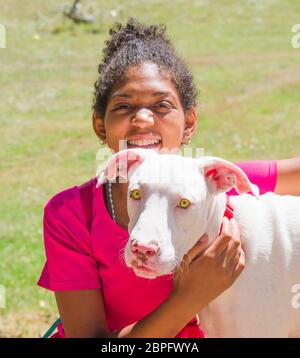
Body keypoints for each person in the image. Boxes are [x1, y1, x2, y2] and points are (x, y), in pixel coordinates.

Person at [37, 19, 300, 338]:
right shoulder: (72, 214)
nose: (142, 118)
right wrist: (191, 296)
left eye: (161, 105)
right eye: (123, 106)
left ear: (189, 122)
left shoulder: (212, 183)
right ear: (100, 125)